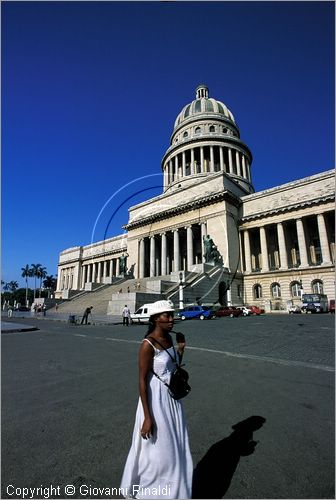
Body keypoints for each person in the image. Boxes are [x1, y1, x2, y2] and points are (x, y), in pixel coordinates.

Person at [120, 300, 193, 499]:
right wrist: (147, 416)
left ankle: (176, 488)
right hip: (154, 400)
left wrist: (180, 349)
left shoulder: (170, 338)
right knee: (159, 449)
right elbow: (142, 381)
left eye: (171, 314)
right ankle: (151, 490)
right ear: (155, 319)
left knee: (175, 443)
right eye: (167, 316)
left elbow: (171, 366)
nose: (172, 319)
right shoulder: (147, 345)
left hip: (171, 399)